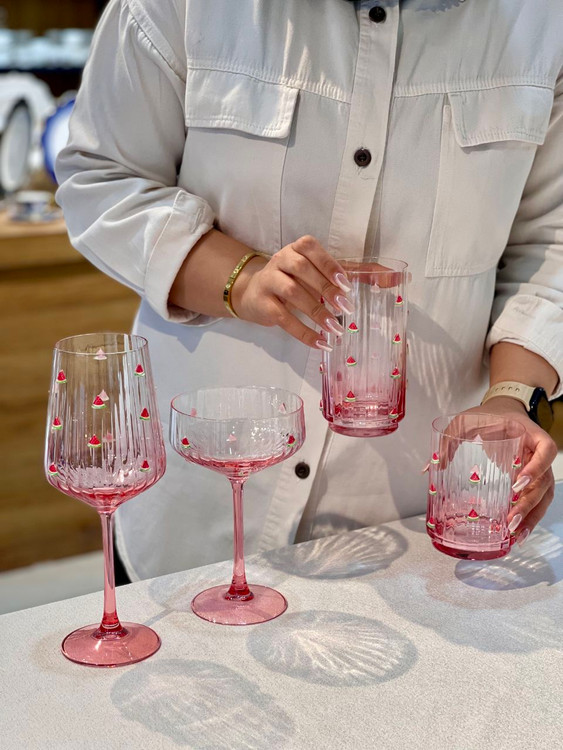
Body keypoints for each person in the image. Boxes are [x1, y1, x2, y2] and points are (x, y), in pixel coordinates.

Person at [56, 0, 562, 581]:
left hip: (409, 521)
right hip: (199, 506)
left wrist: (511, 396)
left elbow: (552, 239)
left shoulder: (544, 21)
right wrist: (240, 278)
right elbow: (101, 177)